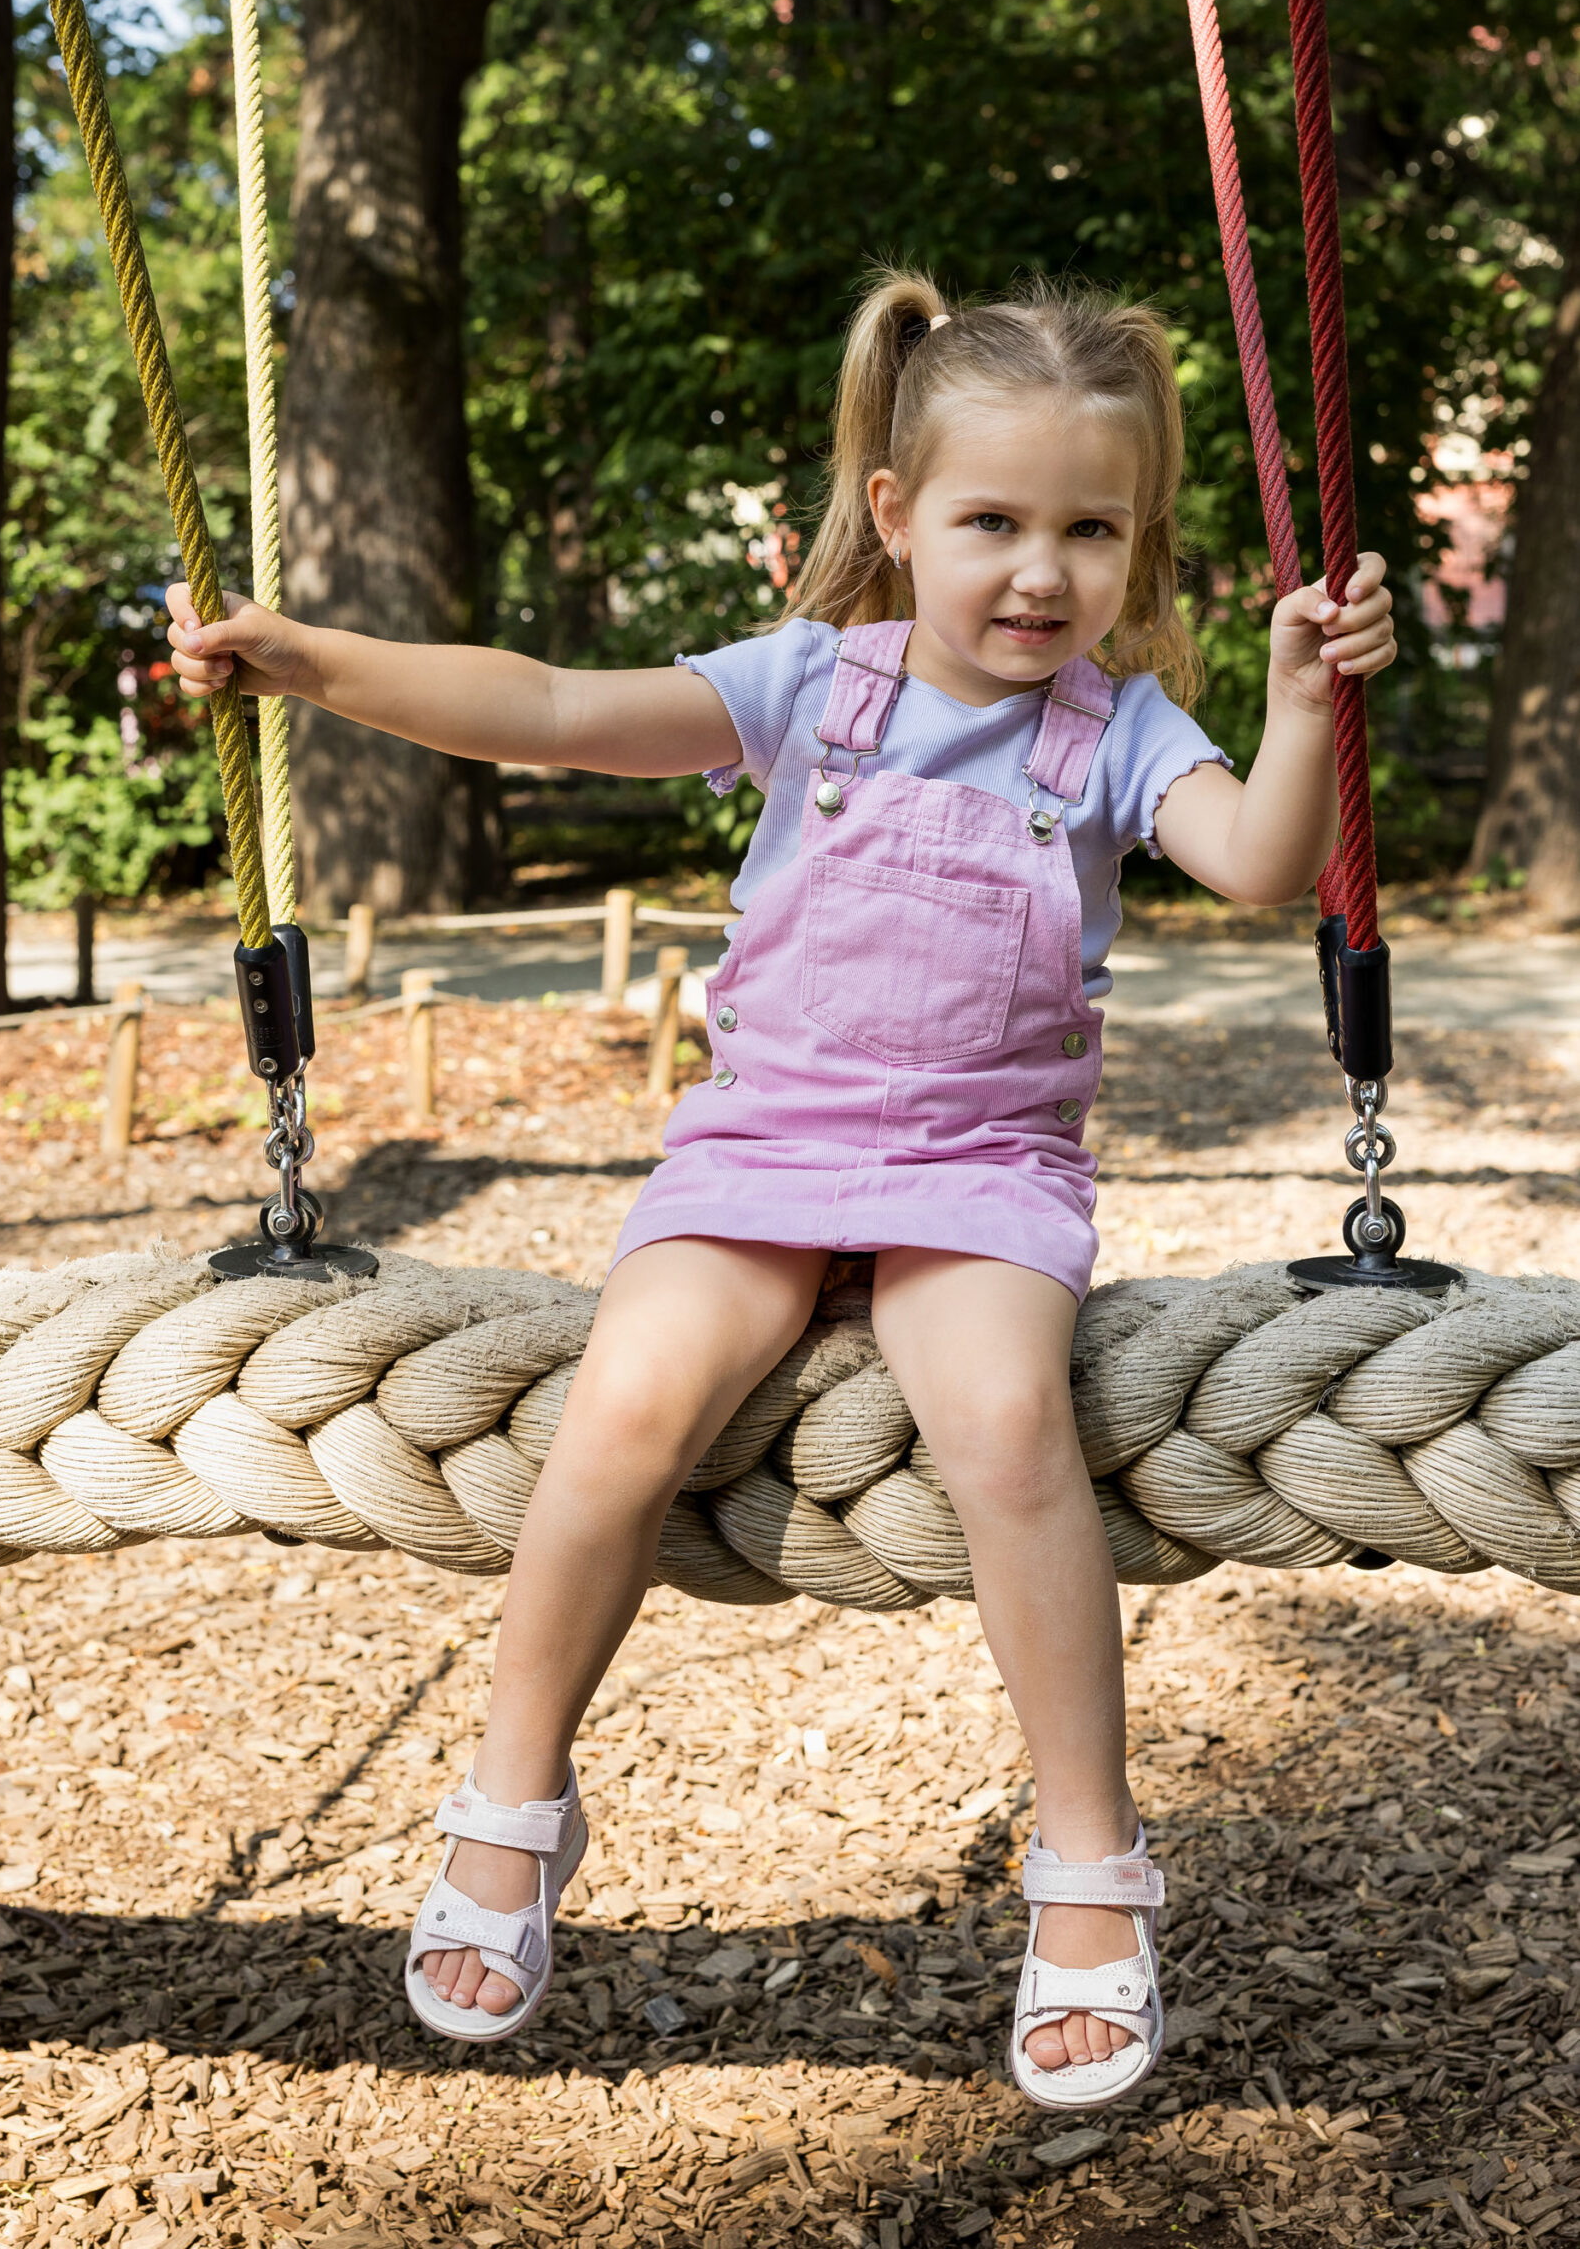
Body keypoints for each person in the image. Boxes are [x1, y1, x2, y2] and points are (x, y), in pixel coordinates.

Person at [166, 270, 1395, 2108]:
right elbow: (558, 709)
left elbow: (1263, 858)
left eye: (1090, 530)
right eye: (992, 522)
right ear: (897, 520)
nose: (1040, 573)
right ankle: (514, 1796)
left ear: (1136, 552)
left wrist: (1303, 703)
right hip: (763, 1150)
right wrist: (315, 665)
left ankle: (1087, 1862)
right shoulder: (814, 686)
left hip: (979, 1169)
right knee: (628, 1408)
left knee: (999, 1423)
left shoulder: (1123, 731)